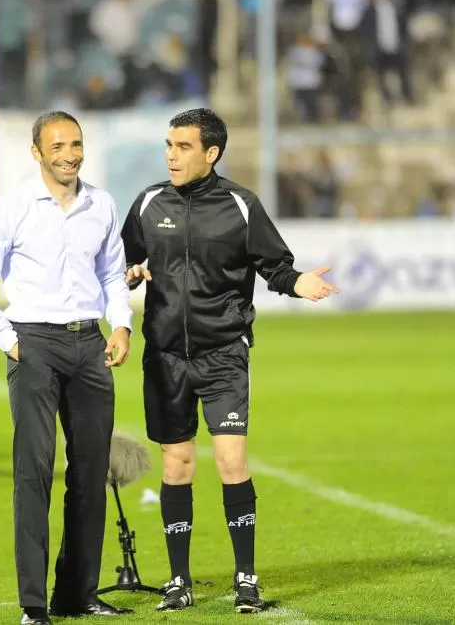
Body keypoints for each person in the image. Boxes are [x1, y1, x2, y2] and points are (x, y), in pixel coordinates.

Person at [120, 108, 340, 614]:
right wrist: (128, 276)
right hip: (166, 358)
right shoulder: (149, 202)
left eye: (183, 147)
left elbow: (273, 266)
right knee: (176, 465)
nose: (171, 155)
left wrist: (298, 282)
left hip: (223, 354)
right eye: (168, 146)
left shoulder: (242, 205)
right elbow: (122, 262)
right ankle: (179, 581)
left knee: (230, 460)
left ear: (211, 152)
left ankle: (246, 577)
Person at [0, 111, 134, 625]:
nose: (69, 154)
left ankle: (77, 594)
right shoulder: (11, 208)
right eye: (57, 146)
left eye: (76, 143)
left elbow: (112, 274)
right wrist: (7, 339)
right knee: (33, 472)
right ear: (37, 152)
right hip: (32, 343)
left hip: (90, 346)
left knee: (89, 475)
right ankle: (34, 605)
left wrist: (121, 325)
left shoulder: (101, 204)